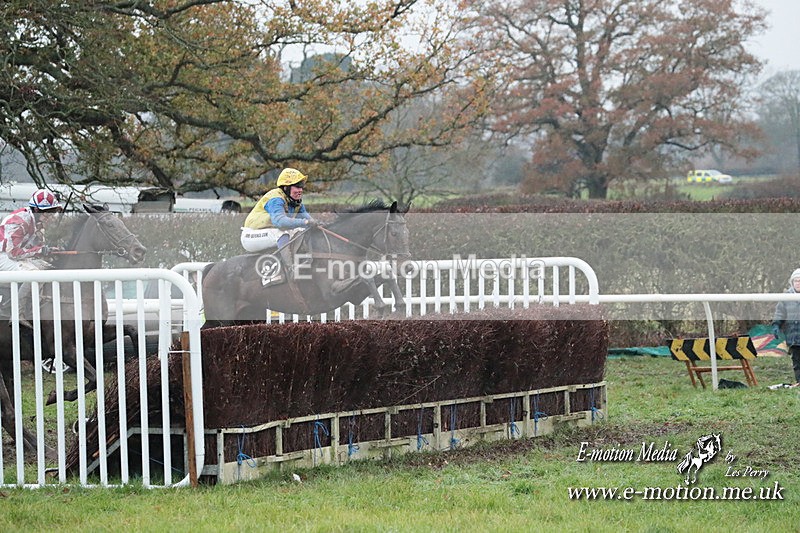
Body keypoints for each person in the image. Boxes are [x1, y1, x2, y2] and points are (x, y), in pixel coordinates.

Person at [0, 189, 64, 324]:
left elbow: (36, 248)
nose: (50, 215)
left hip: (13, 255)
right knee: (34, 274)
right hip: (4, 255)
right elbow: (13, 252)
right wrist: (41, 250)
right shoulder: (19, 221)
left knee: (48, 267)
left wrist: (50, 251)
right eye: (46, 212)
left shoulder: (37, 223)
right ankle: (18, 314)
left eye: (51, 211)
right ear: (35, 209)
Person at [240, 168, 319, 275]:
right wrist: (305, 222)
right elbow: (280, 222)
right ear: (286, 187)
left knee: (300, 231)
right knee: (281, 233)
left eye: (301, 187)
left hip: (267, 232)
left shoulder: (295, 201)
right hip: (250, 236)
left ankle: (305, 260)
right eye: (296, 186)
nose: (300, 190)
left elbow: (308, 220)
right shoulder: (276, 199)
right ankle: (291, 268)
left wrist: (316, 224)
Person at [772, 268, 800, 387]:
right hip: (793, 337)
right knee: (797, 362)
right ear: (792, 282)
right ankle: (799, 383)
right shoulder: (786, 297)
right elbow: (780, 313)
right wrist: (776, 325)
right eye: (796, 281)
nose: (798, 283)